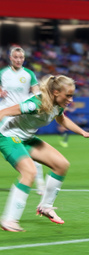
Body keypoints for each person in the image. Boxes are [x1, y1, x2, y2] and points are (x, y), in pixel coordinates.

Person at [0, 75, 89, 232]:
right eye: (68, 95)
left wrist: (83, 132)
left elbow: (62, 120)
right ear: (55, 92)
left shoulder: (57, 105)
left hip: (26, 138)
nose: (71, 99)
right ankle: (9, 219)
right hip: (8, 137)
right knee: (29, 171)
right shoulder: (35, 104)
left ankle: (45, 207)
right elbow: (4, 112)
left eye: (72, 95)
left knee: (61, 165)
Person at [0, 46, 46, 195]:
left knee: (27, 147)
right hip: (5, 115)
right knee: (12, 146)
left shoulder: (29, 74)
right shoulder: (3, 73)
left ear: (24, 59)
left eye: (21, 58)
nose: (19, 60)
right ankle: (32, 178)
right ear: (10, 58)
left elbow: (37, 93)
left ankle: (39, 182)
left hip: (22, 116)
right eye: (16, 57)